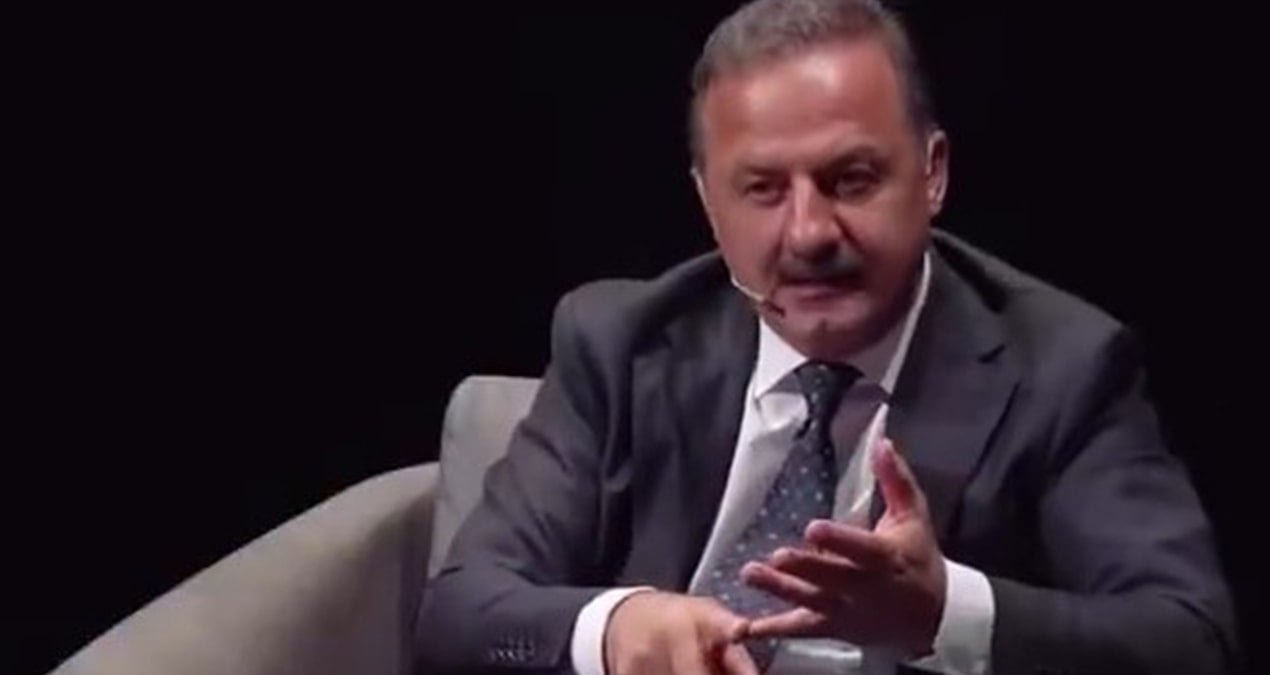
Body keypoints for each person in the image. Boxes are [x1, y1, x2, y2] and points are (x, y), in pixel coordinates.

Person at [415, 1, 1238, 673]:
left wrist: (944, 612)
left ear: (933, 173)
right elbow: (459, 614)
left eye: (851, 179)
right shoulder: (619, 343)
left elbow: (1190, 639)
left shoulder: (1062, 367)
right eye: (763, 189)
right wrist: (616, 625)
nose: (809, 232)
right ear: (709, 204)